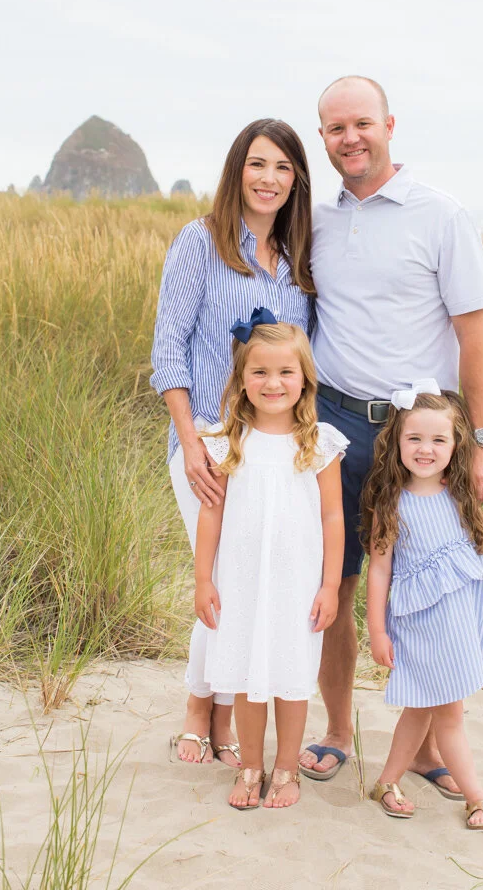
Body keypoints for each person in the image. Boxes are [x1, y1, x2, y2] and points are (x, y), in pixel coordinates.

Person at [300, 75, 483, 796]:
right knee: (338, 583)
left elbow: (474, 337)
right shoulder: (313, 219)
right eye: (335, 128)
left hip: (421, 440)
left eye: (361, 123)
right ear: (323, 138)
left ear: (388, 125)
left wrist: (480, 443)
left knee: (428, 589)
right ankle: (337, 731)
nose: (349, 138)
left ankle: (423, 747)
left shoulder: (441, 215)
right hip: (334, 425)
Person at [150, 119, 315, 768]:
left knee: (250, 579)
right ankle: (201, 707)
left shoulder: (299, 262)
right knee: (220, 576)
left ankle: (225, 709)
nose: (268, 178)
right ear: (236, 170)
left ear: (296, 179)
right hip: (209, 440)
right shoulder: (201, 241)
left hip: (274, 450)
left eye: (282, 167)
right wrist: (190, 441)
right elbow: (169, 348)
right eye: (257, 164)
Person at [194, 316, 347, 809]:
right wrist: (203, 579)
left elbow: (332, 518)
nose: (273, 383)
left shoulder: (320, 442)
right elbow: (211, 515)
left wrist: (329, 586)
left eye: (285, 372)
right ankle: (251, 767)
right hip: (241, 582)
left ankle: (285, 769)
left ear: (304, 379)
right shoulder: (228, 441)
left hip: (296, 584)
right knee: (246, 675)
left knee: (290, 674)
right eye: (259, 372)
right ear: (242, 379)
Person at [362, 381, 483, 829]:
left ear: (455, 445)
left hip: (459, 624)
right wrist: (377, 631)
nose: (425, 449)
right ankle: (477, 799)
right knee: (449, 716)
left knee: (421, 710)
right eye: (414, 438)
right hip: (420, 628)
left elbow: (479, 553)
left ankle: (387, 782)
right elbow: (379, 570)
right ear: (397, 441)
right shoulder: (392, 503)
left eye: (437, 439)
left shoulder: (459, 495)